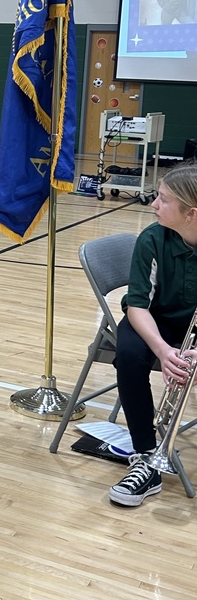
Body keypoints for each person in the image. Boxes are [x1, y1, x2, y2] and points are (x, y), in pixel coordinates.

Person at [107, 163, 197, 507]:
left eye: (162, 199)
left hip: (193, 329)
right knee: (128, 353)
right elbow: (137, 306)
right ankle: (145, 455)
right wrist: (161, 350)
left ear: (190, 213)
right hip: (153, 321)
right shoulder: (152, 238)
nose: (154, 204)